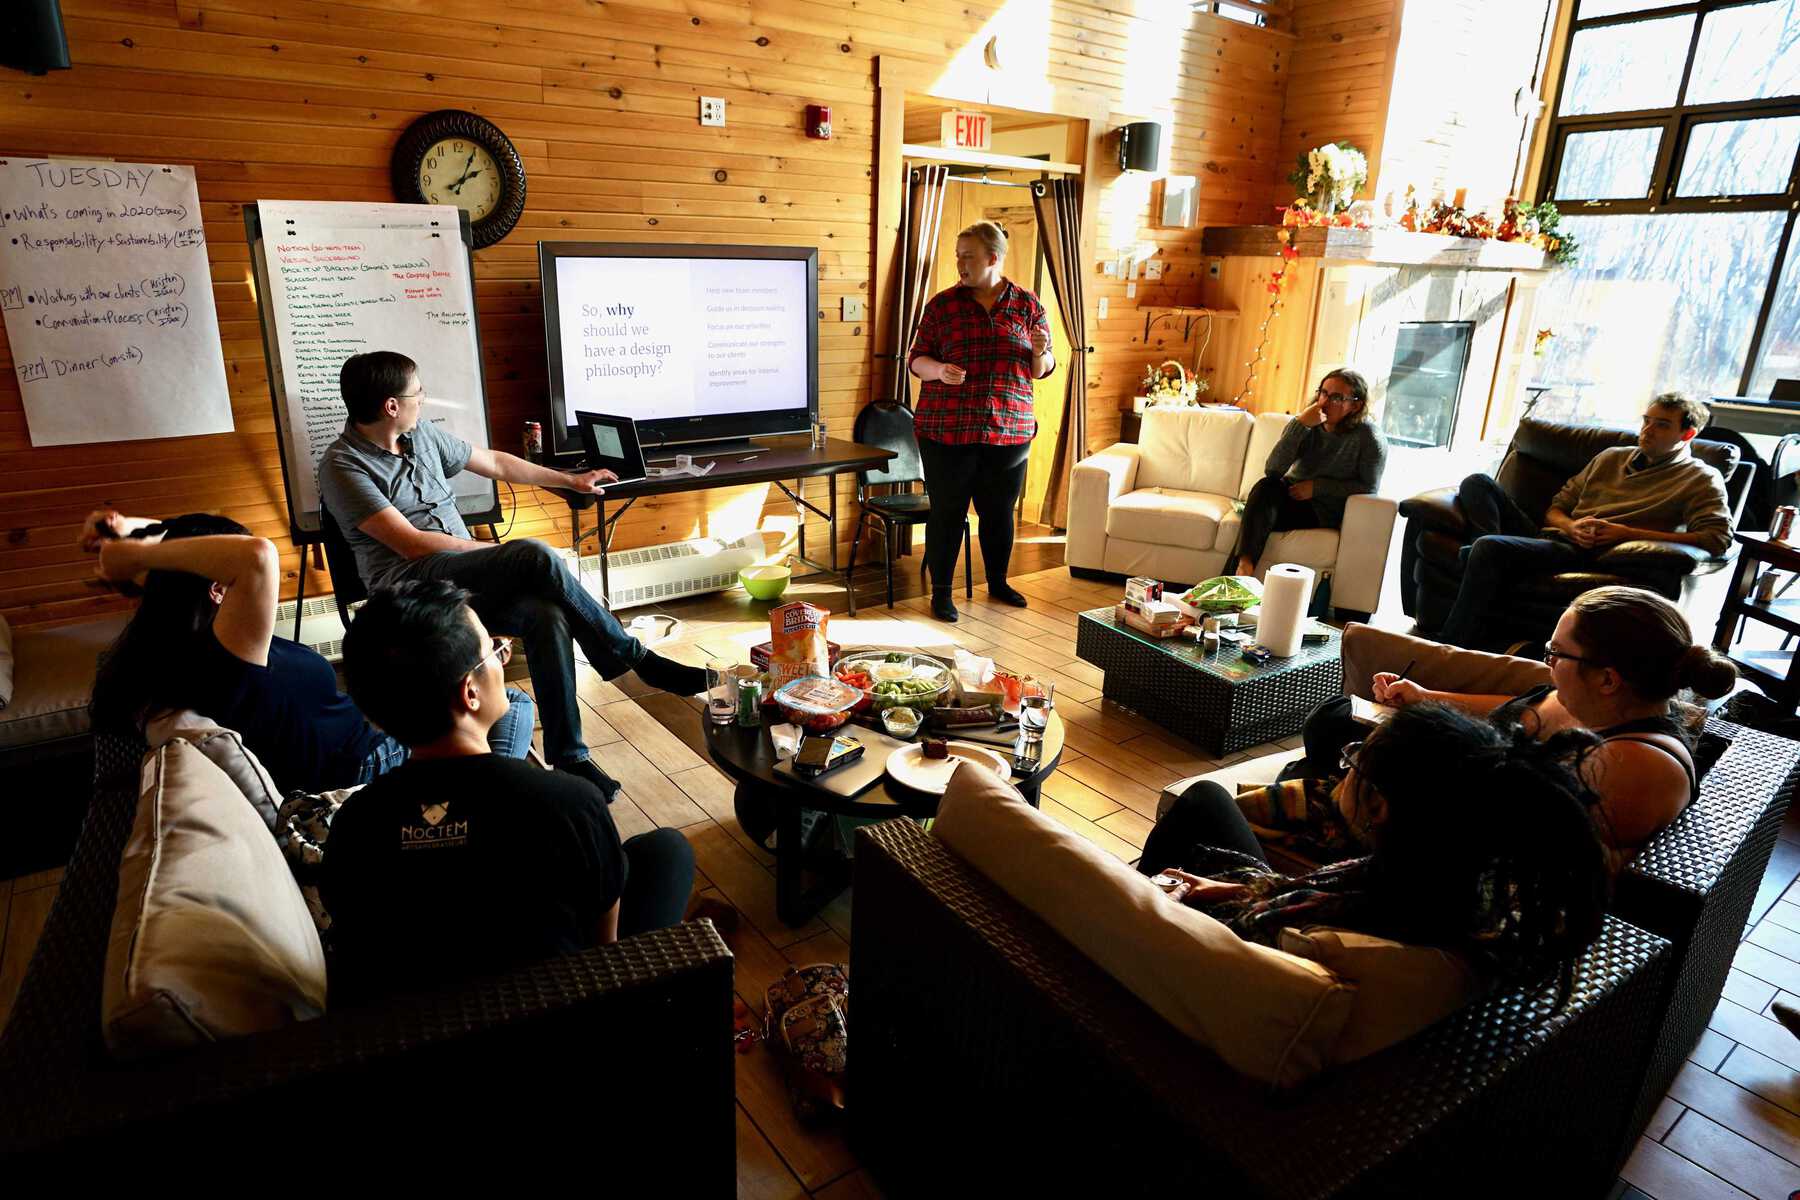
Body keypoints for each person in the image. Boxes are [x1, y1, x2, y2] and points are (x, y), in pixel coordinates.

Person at [317, 350, 707, 797]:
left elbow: (497, 463)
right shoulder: (342, 465)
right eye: (416, 393)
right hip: (413, 587)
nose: (422, 399)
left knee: (546, 614)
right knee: (534, 555)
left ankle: (571, 758)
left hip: (461, 572)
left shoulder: (421, 434)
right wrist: (492, 551)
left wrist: (567, 480)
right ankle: (639, 660)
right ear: (391, 405)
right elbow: (410, 543)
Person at [321, 580, 696, 1003]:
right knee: (667, 850)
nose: (505, 656)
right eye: (495, 651)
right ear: (470, 692)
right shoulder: (569, 802)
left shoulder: (354, 822)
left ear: (375, 716)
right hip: (555, 1026)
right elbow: (601, 955)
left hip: (417, 1043)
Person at [1139, 703, 1611, 997]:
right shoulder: (1446, 875)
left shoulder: (1328, 922)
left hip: (1196, 967)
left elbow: (1229, 939)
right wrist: (1223, 889)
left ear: (1380, 806)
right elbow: (1304, 894)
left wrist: (1152, 903)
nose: (1344, 769)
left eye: (1353, 760)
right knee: (1210, 802)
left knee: (1203, 802)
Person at [84, 510, 533, 793]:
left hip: (360, 743)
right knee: (511, 702)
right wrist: (127, 556)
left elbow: (178, 566)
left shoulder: (182, 640)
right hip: (364, 764)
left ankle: (473, 787)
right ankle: (488, 798)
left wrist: (126, 531)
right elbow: (256, 556)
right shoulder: (233, 652)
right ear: (219, 587)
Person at [1374, 585, 1737, 869]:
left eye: (1557, 653)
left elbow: (1517, 843)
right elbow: (1516, 714)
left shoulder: (1633, 764)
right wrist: (1425, 697)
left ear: (1608, 679)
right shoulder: (1605, 707)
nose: (1548, 664)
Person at [1438, 392, 1732, 649]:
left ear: (1687, 434)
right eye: (1646, 420)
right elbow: (1556, 508)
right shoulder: (1611, 457)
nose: (1648, 430)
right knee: (1477, 483)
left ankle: (1452, 645)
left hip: (1587, 554)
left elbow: (1717, 538)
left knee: (1490, 548)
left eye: (1662, 425)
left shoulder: (1700, 478)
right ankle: (1476, 553)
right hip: (1558, 536)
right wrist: (1570, 525)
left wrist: (1626, 533)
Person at [907, 220, 1055, 623]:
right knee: (948, 512)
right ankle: (941, 593)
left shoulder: (1027, 305)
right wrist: (937, 370)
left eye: (967, 256)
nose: (960, 263)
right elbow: (916, 358)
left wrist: (1040, 352)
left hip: (1008, 430)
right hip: (946, 430)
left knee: (998, 511)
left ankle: (999, 582)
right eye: (957, 256)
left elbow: (1043, 369)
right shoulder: (942, 305)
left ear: (993, 258)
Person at [1233, 369, 1386, 578]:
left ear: (1355, 405)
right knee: (1265, 487)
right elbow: (1273, 470)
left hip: (1323, 509)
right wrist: (1300, 424)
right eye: (1323, 393)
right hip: (1288, 495)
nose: (1324, 402)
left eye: (1337, 397)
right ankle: (1244, 567)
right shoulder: (1307, 424)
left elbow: (1369, 487)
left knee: (1256, 519)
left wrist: (1317, 487)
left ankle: (1233, 582)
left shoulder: (1369, 438)